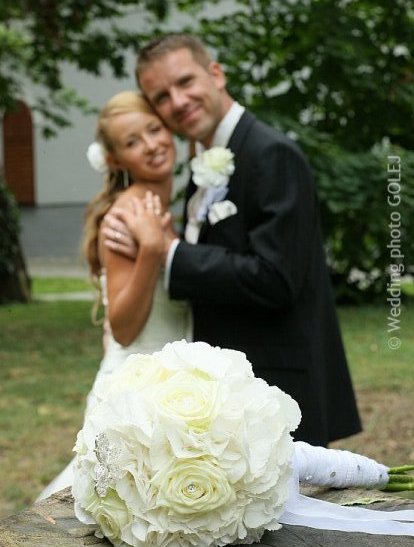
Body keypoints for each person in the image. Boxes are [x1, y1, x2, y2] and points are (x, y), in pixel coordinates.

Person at [105, 33, 361, 446]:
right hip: (233, 395)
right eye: (162, 96)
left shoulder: (271, 154)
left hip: (279, 389)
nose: (178, 101)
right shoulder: (204, 166)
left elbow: (276, 278)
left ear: (216, 74)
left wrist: (168, 252)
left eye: (185, 82)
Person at [37, 91, 191, 500]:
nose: (151, 145)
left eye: (154, 129)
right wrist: (151, 252)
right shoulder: (126, 216)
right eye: (132, 142)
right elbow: (122, 327)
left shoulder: (164, 206)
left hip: (172, 382)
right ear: (116, 160)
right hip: (133, 391)